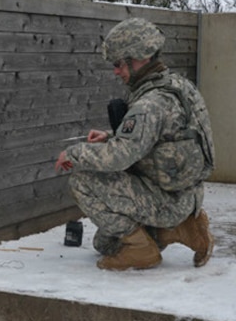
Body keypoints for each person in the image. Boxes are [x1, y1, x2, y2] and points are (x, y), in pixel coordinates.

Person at [54, 17, 216, 271]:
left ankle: (142, 250)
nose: (116, 71)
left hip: (167, 199)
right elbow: (163, 137)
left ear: (138, 57)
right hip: (186, 195)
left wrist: (72, 154)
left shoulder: (149, 104)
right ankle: (185, 230)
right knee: (105, 244)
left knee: (80, 180)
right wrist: (110, 135)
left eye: (119, 64)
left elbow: (120, 157)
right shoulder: (178, 86)